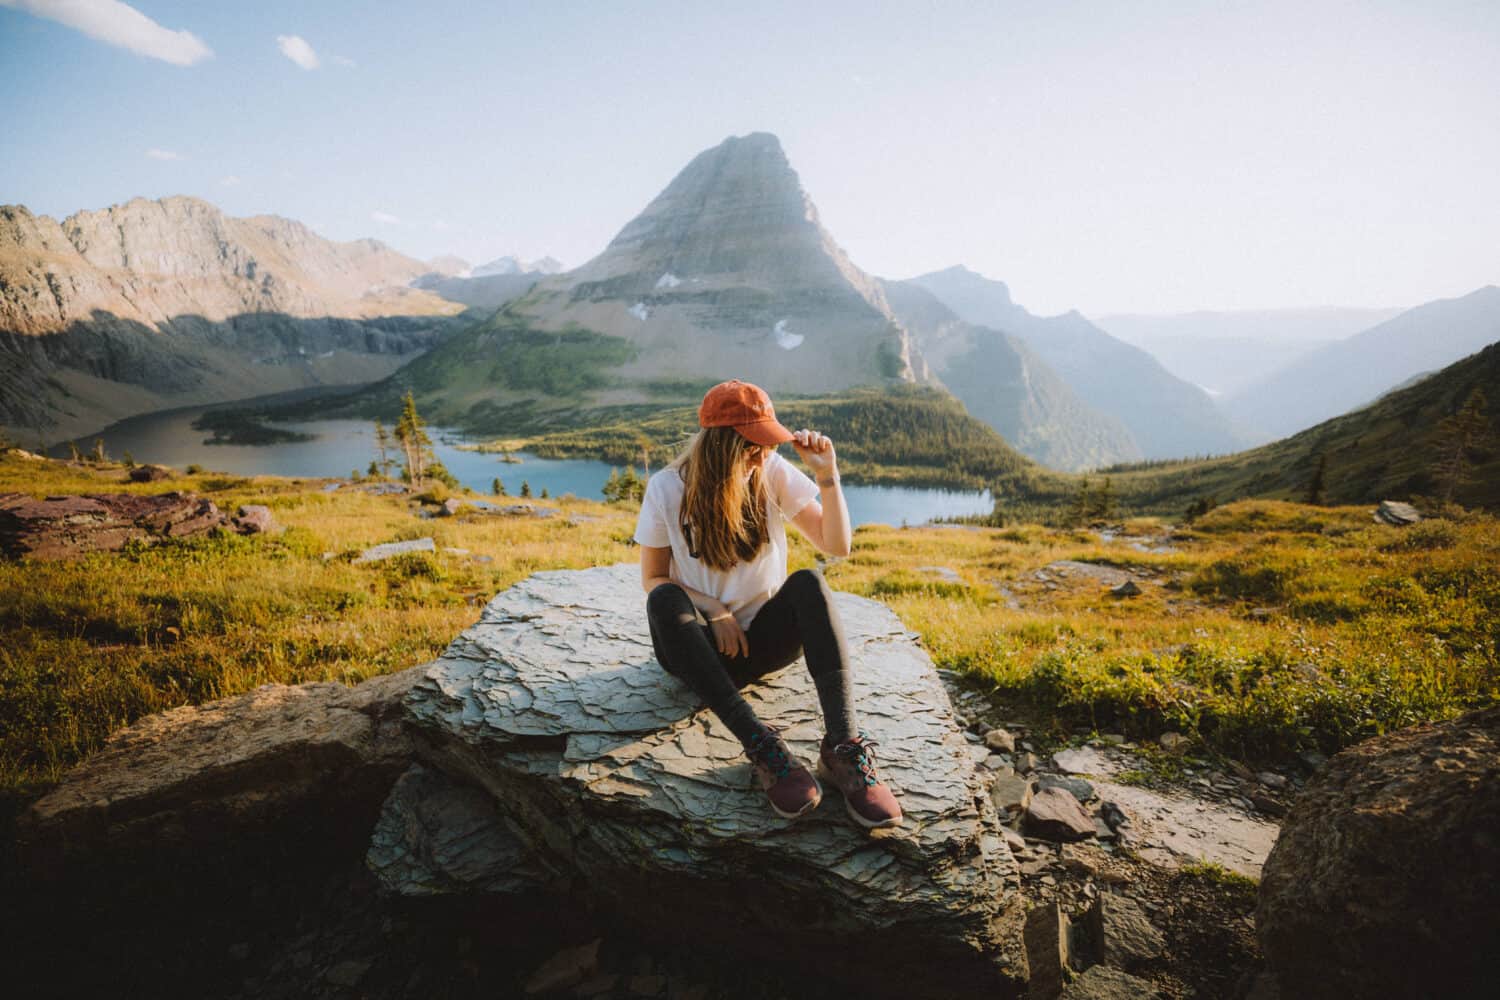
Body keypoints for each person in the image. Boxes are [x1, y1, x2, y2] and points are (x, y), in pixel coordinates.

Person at [635, 379, 903, 829]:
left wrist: (827, 475)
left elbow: (837, 545)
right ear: (723, 444)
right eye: (754, 444)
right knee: (664, 599)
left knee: (809, 583)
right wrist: (713, 610)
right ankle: (762, 746)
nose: (763, 453)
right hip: (696, 652)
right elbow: (653, 578)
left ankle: (842, 748)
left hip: (762, 645)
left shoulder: (771, 472)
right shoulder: (666, 489)